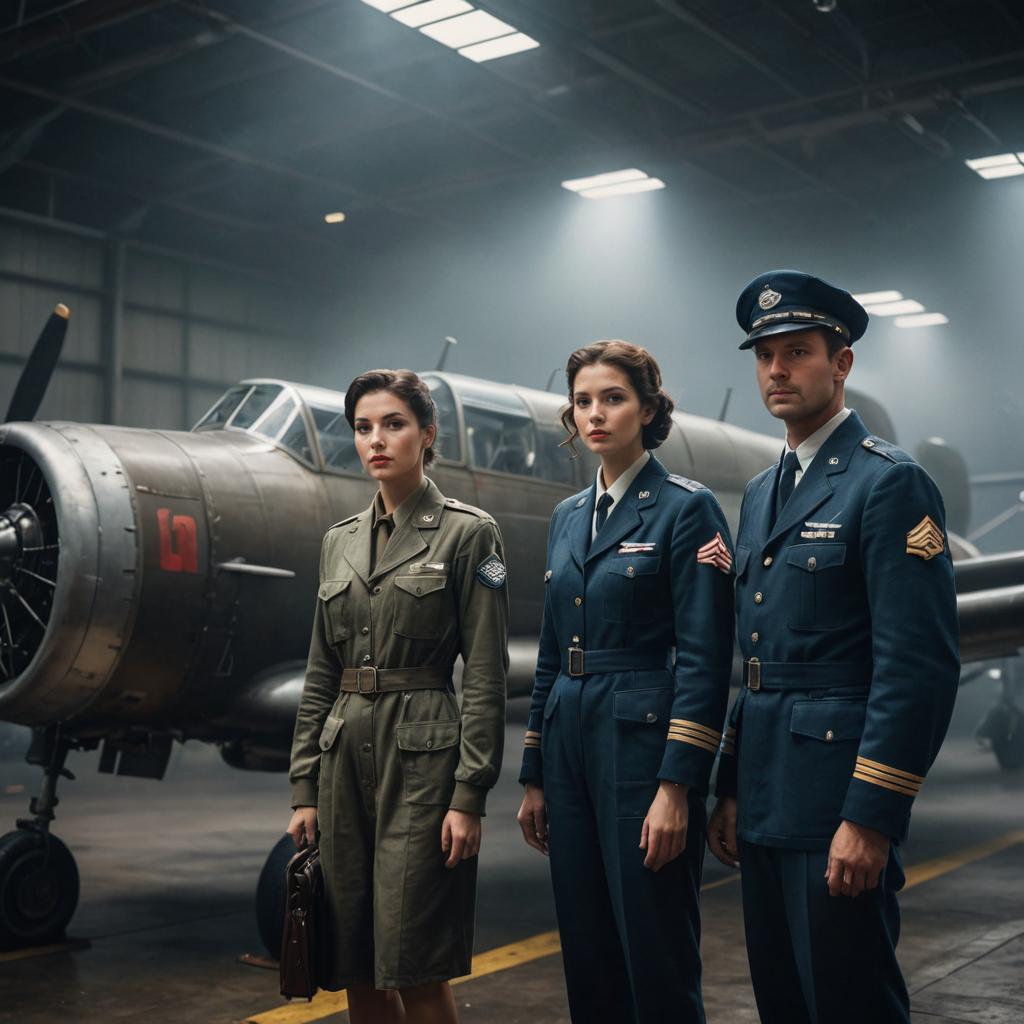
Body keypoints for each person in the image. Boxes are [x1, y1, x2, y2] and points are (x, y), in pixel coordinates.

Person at [707, 271, 960, 1024]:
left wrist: (872, 815)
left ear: (841, 363)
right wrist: (728, 784)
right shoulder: (759, 492)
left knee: (850, 1003)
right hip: (762, 799)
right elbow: (751, 656)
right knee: (784, 1001)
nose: (777, 371)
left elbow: (917, 667)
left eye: (797, 352)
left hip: (835, 803)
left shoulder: (890, 484)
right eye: (765, 356)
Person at [516, 341, 735, 1023]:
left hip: (642, 748)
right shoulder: (565, 518)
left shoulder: (684, 509)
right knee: (586, 948)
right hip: (570, 743)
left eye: (612, 398)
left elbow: (705, 659)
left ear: (647, 409)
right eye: (583, 401)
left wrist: (679, 786)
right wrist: (533, 773)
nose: (595, 414)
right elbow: (552, 651)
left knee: (656, 948)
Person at [287, 369, 509, 1024]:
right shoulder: (339, 542)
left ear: (426, 434)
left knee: (415, 961)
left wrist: (468, 797)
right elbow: (321, 672)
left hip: (423, 760)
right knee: (353, 957)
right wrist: (304, 784)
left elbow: (487, 672)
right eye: (363, 427)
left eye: (394, 424)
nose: (376, 440)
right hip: (343, 759)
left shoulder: (469, 534)